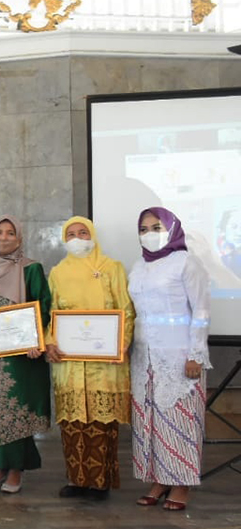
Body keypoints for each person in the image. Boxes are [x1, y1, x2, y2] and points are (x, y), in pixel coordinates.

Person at [45, 216, 134, 501]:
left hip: (104, 362)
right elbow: (51, 313)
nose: (77, 238)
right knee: (72, 424)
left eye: (83, 232)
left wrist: (121, 343)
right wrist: (49, 341)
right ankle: (77, 480)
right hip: (69, 363)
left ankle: (99, 482)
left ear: (92, 235)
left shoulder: (111, 268)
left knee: (100, 423)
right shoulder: (58, 273)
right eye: (71, 234)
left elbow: (126, 310)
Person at [128, 207, 210, 511]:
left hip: (179, 357)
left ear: (172, 229)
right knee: (149, 422)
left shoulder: (186, 262)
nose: (149, 234)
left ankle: (181, 485)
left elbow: (201, 310)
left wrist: (196, 354)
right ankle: (159, 480)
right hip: (144, 358)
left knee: (179, 422)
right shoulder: (138, 266)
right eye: (144, 229)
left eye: (156, 227)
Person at [0, 216, 52, 494]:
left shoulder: (31, 268)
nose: (4, 237)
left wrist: (35, 340)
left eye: (10, 233)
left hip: (20, 356)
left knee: (15, 410)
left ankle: (15, 469)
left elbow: (43, 307)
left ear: (19, 238)